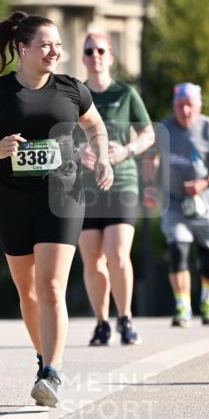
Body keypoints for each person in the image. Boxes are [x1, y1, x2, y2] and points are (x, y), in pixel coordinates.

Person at [0, 11, 113, 407]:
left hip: (63, 197)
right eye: (46, 45)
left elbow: (95, 125)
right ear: (22, 48)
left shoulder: (71, 89)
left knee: (51, 286)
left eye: (58, 45)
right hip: (12, 200)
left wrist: (103, 156)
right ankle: (44, 356)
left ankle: (53, 373)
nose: (54, 52)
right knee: (27, 292)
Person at [77, 33, 155, 346]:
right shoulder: (76, 94)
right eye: (89, 50)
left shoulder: (126, 93)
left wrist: (125, 150)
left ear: (110, 56)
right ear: (83, 57)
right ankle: (101, 323)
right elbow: (59, 136)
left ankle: (125, 317)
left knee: (117, 254)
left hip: (122, 182)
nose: (95, 55)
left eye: (101, 50)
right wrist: (77, 151)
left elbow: (148, 134)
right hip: (86, 188)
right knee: (92, 259)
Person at [157, 83, 209, 327]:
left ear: (199, 105)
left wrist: (205, 182)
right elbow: (151, 158)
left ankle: (207, 300)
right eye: (180, 105)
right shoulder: (165, 129)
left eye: (190, 105)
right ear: (174, 106)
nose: (185, 110)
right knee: (178, 250)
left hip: (204, 203)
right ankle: (183, 306)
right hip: (175, 204)